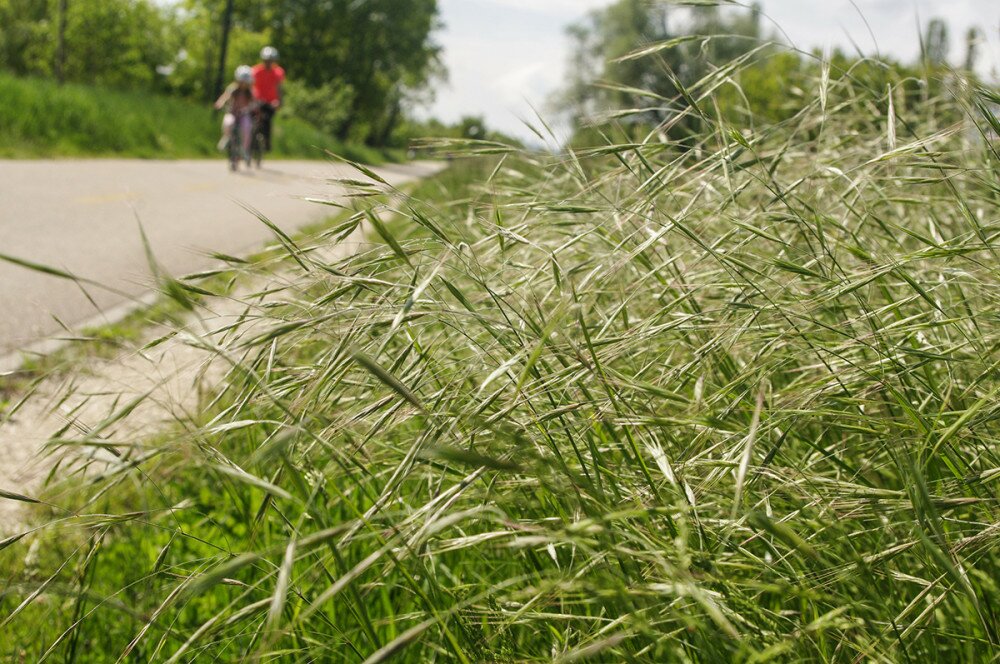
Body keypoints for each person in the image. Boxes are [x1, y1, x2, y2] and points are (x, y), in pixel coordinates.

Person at [214, 65, 256, 162]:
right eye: (242, 81)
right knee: (228, 123)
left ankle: (244, 149)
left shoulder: (250, 92)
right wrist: (220, 103)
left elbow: (254, 102)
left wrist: (253, 108)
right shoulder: (232, 88)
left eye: (245, 82)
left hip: (244, 114)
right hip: (232, 112)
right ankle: (226, 137)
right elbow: (225, 97)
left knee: (247, 128)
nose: (243, 84)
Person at [251, 46, 285, 153]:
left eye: (270, 61)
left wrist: (279, 101)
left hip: (270, 102)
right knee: (251, 119)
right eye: (266, 61)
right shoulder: (255, 71)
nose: (268, 63)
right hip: (256, 101)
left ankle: (266, 142)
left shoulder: (278, 72)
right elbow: (250, 86)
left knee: (267, 120)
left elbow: (279, 88)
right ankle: (249, 142)